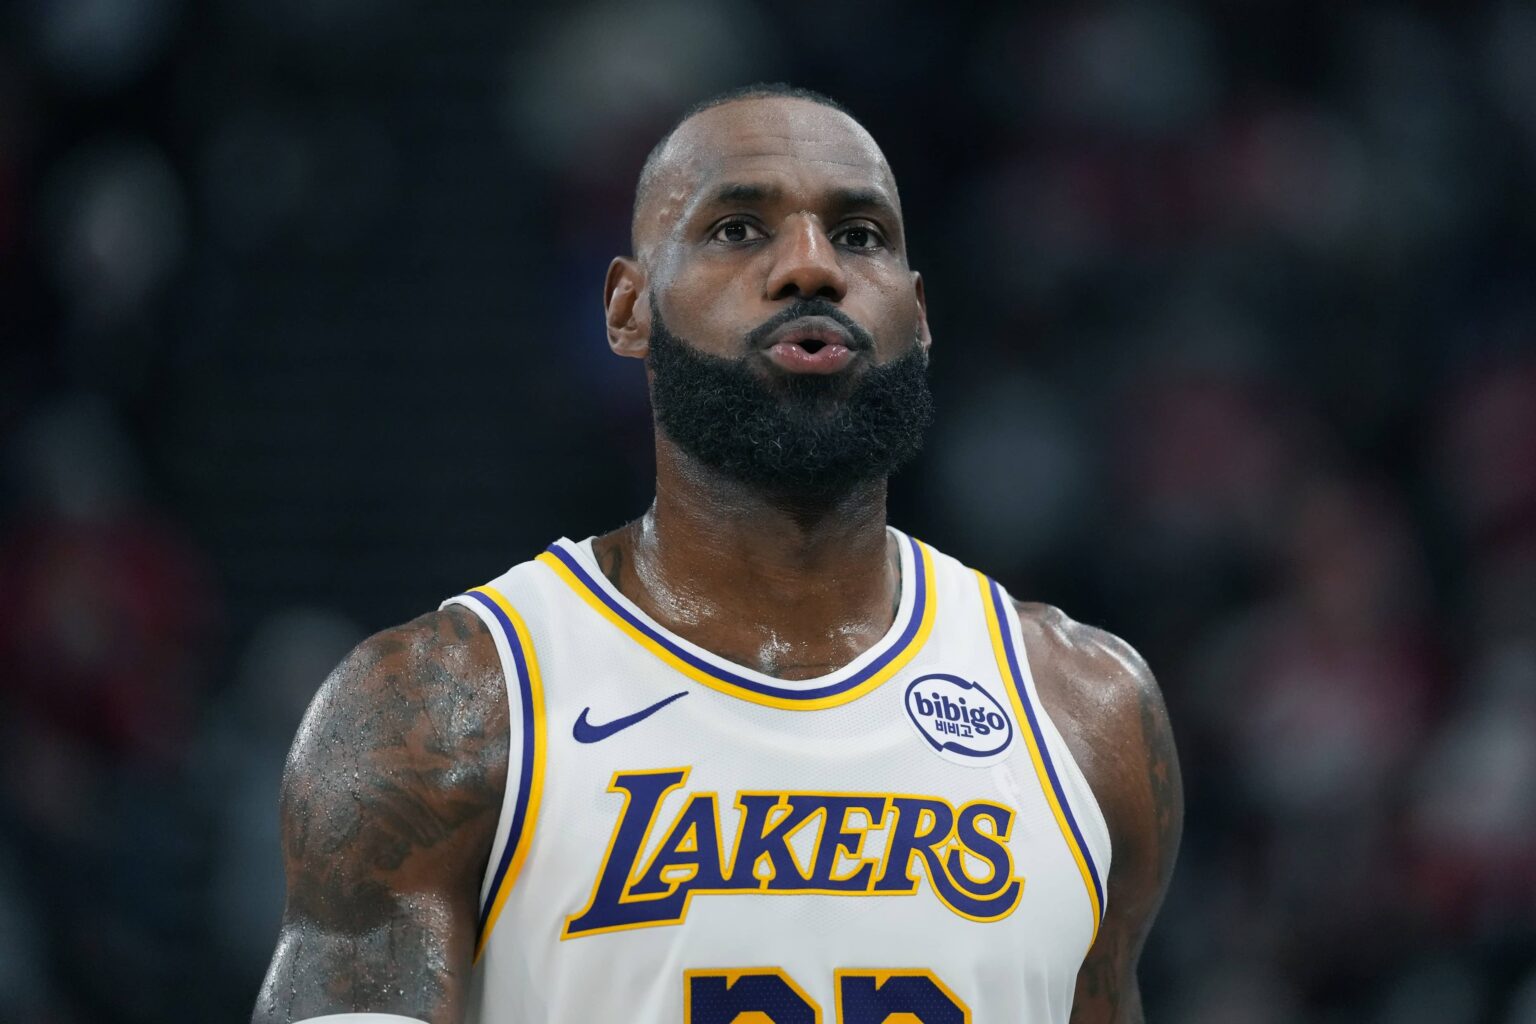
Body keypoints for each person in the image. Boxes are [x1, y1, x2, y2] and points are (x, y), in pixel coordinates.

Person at [253, 82, 1182, 1024]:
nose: (812, 268)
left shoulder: (1088, 713)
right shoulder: (443, 710)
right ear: (627, 309)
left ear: (921, 311)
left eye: (861, 235)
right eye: (740, 229)